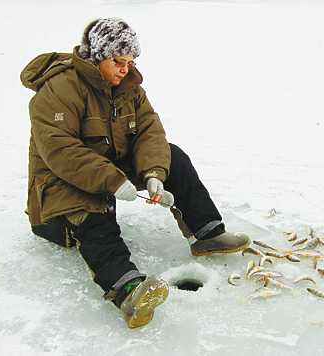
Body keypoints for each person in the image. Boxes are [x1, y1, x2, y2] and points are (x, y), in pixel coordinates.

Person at [20, 17, 251, 329]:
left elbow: (148, 132)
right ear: (97, 55)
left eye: (130, 62)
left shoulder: (128, 88)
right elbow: (62, 153)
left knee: (172, 156)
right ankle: (129, 292)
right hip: (57, 193)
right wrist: (113, 180)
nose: (125, 69)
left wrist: (154, 172)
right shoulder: (58, 90)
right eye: (118, 61)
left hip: (104, 170)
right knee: (96, 206)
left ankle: (207, 233)